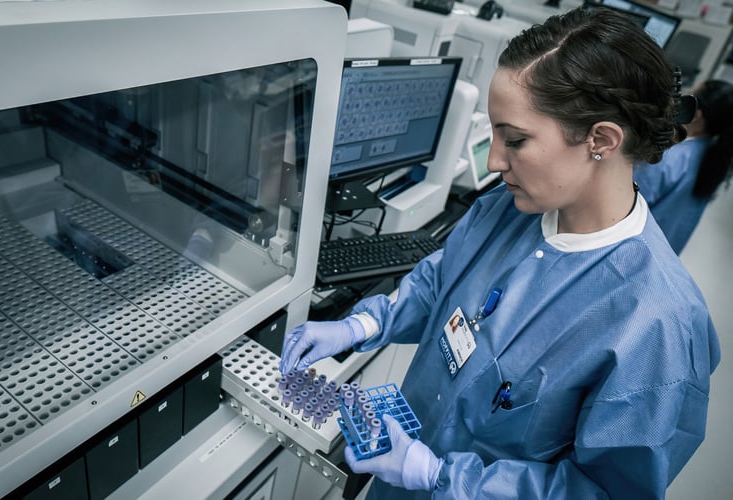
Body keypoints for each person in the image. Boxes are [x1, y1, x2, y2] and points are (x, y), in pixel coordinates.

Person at [281, 6, 720, 499]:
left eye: (515, 139)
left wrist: (442, 477)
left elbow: (607, 492)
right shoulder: (510, 208)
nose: (493, 160)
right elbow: (442, 282)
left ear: (601, 139)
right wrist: (364, 324)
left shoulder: (657, 326)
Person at [634, 79, 733, 254]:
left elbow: (623, 207)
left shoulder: (669, 158)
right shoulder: (713, 161)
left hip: (634, 251)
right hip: (662, 255)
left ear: (695, 115)